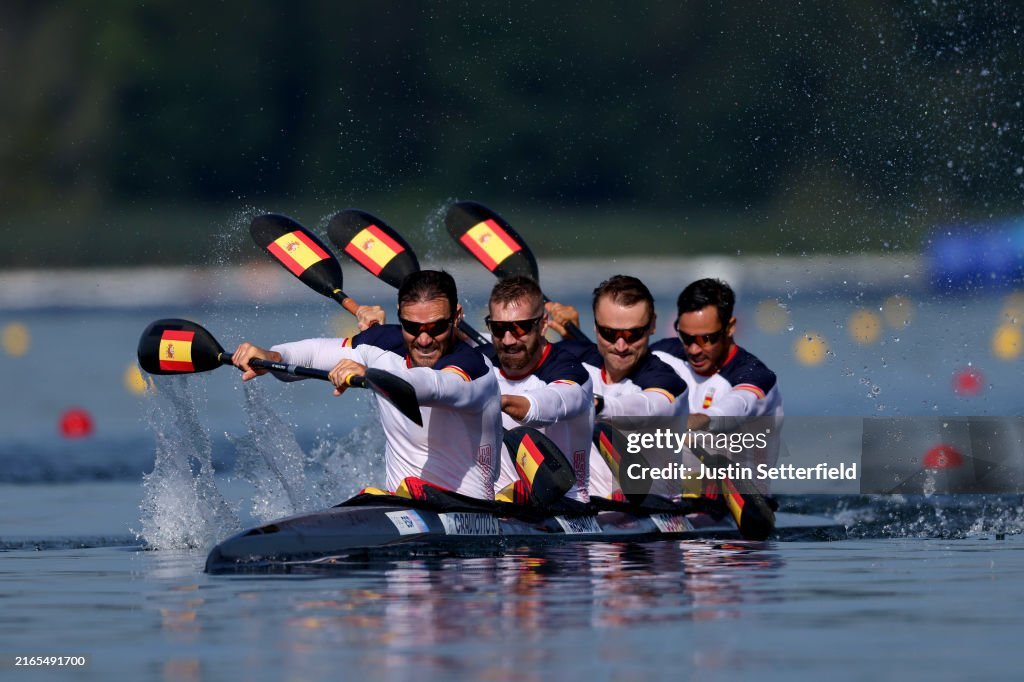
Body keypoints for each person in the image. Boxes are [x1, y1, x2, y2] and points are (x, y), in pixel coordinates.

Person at [232, 270, 503, 500]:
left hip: (470, 512)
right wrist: (270, 357)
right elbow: (312, 354)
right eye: (412, 327)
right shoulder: (381, 342)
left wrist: (370, 373)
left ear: (456, 317)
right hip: (404, 505)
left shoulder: (474, 368)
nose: (423, 340)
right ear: (399, 315)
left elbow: (431, 386)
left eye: (436, 328)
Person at [546, 275, 688, 499]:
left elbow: (645, 407)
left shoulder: (667, 381)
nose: (621, 346)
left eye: (633, 335)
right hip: (584, 505)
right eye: (609, 334)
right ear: (595, 326)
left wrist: (597, 404)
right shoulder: (572, 358)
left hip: (650, 509)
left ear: (652, 325)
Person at [484, 276, 594, 503]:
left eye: (520, 328)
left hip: (566, 506)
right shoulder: (480, 361)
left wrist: (497, 402)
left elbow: (549, 406)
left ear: (543, 324)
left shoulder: (572, 373)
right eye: (498, 328)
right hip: (496, 504)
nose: (508, 340)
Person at [649, 278, 783, 429]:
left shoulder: (757, 377)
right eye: (685, 337)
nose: (694, 350)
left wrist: (697, 421)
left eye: (705, 339)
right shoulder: (661, 354)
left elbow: (737, 406)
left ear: (730, 327)